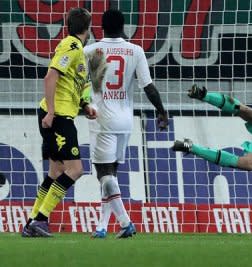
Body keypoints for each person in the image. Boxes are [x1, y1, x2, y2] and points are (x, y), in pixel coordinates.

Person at [83, 9, 168, 239]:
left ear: (100, 27)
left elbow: (78, 84)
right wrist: (161, 111)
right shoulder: (135, 50)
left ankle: (125, 222)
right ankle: (101, 226)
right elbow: (148, 86)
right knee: (112, 177)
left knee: (104, 175)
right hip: (125, 120)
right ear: (123, 27)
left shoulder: (91, 50)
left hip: (101, 118)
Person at [22, 7, 96, 237]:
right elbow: (51, 76)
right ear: (87, 27)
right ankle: (40, 220)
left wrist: (86, 106)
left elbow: (77, 83)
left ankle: (32, 222)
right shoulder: (71, 46)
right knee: (75, 170)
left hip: (63, 114)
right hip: (58, 117)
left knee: (55, 171)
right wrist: (52, 112)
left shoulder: (79, 52)